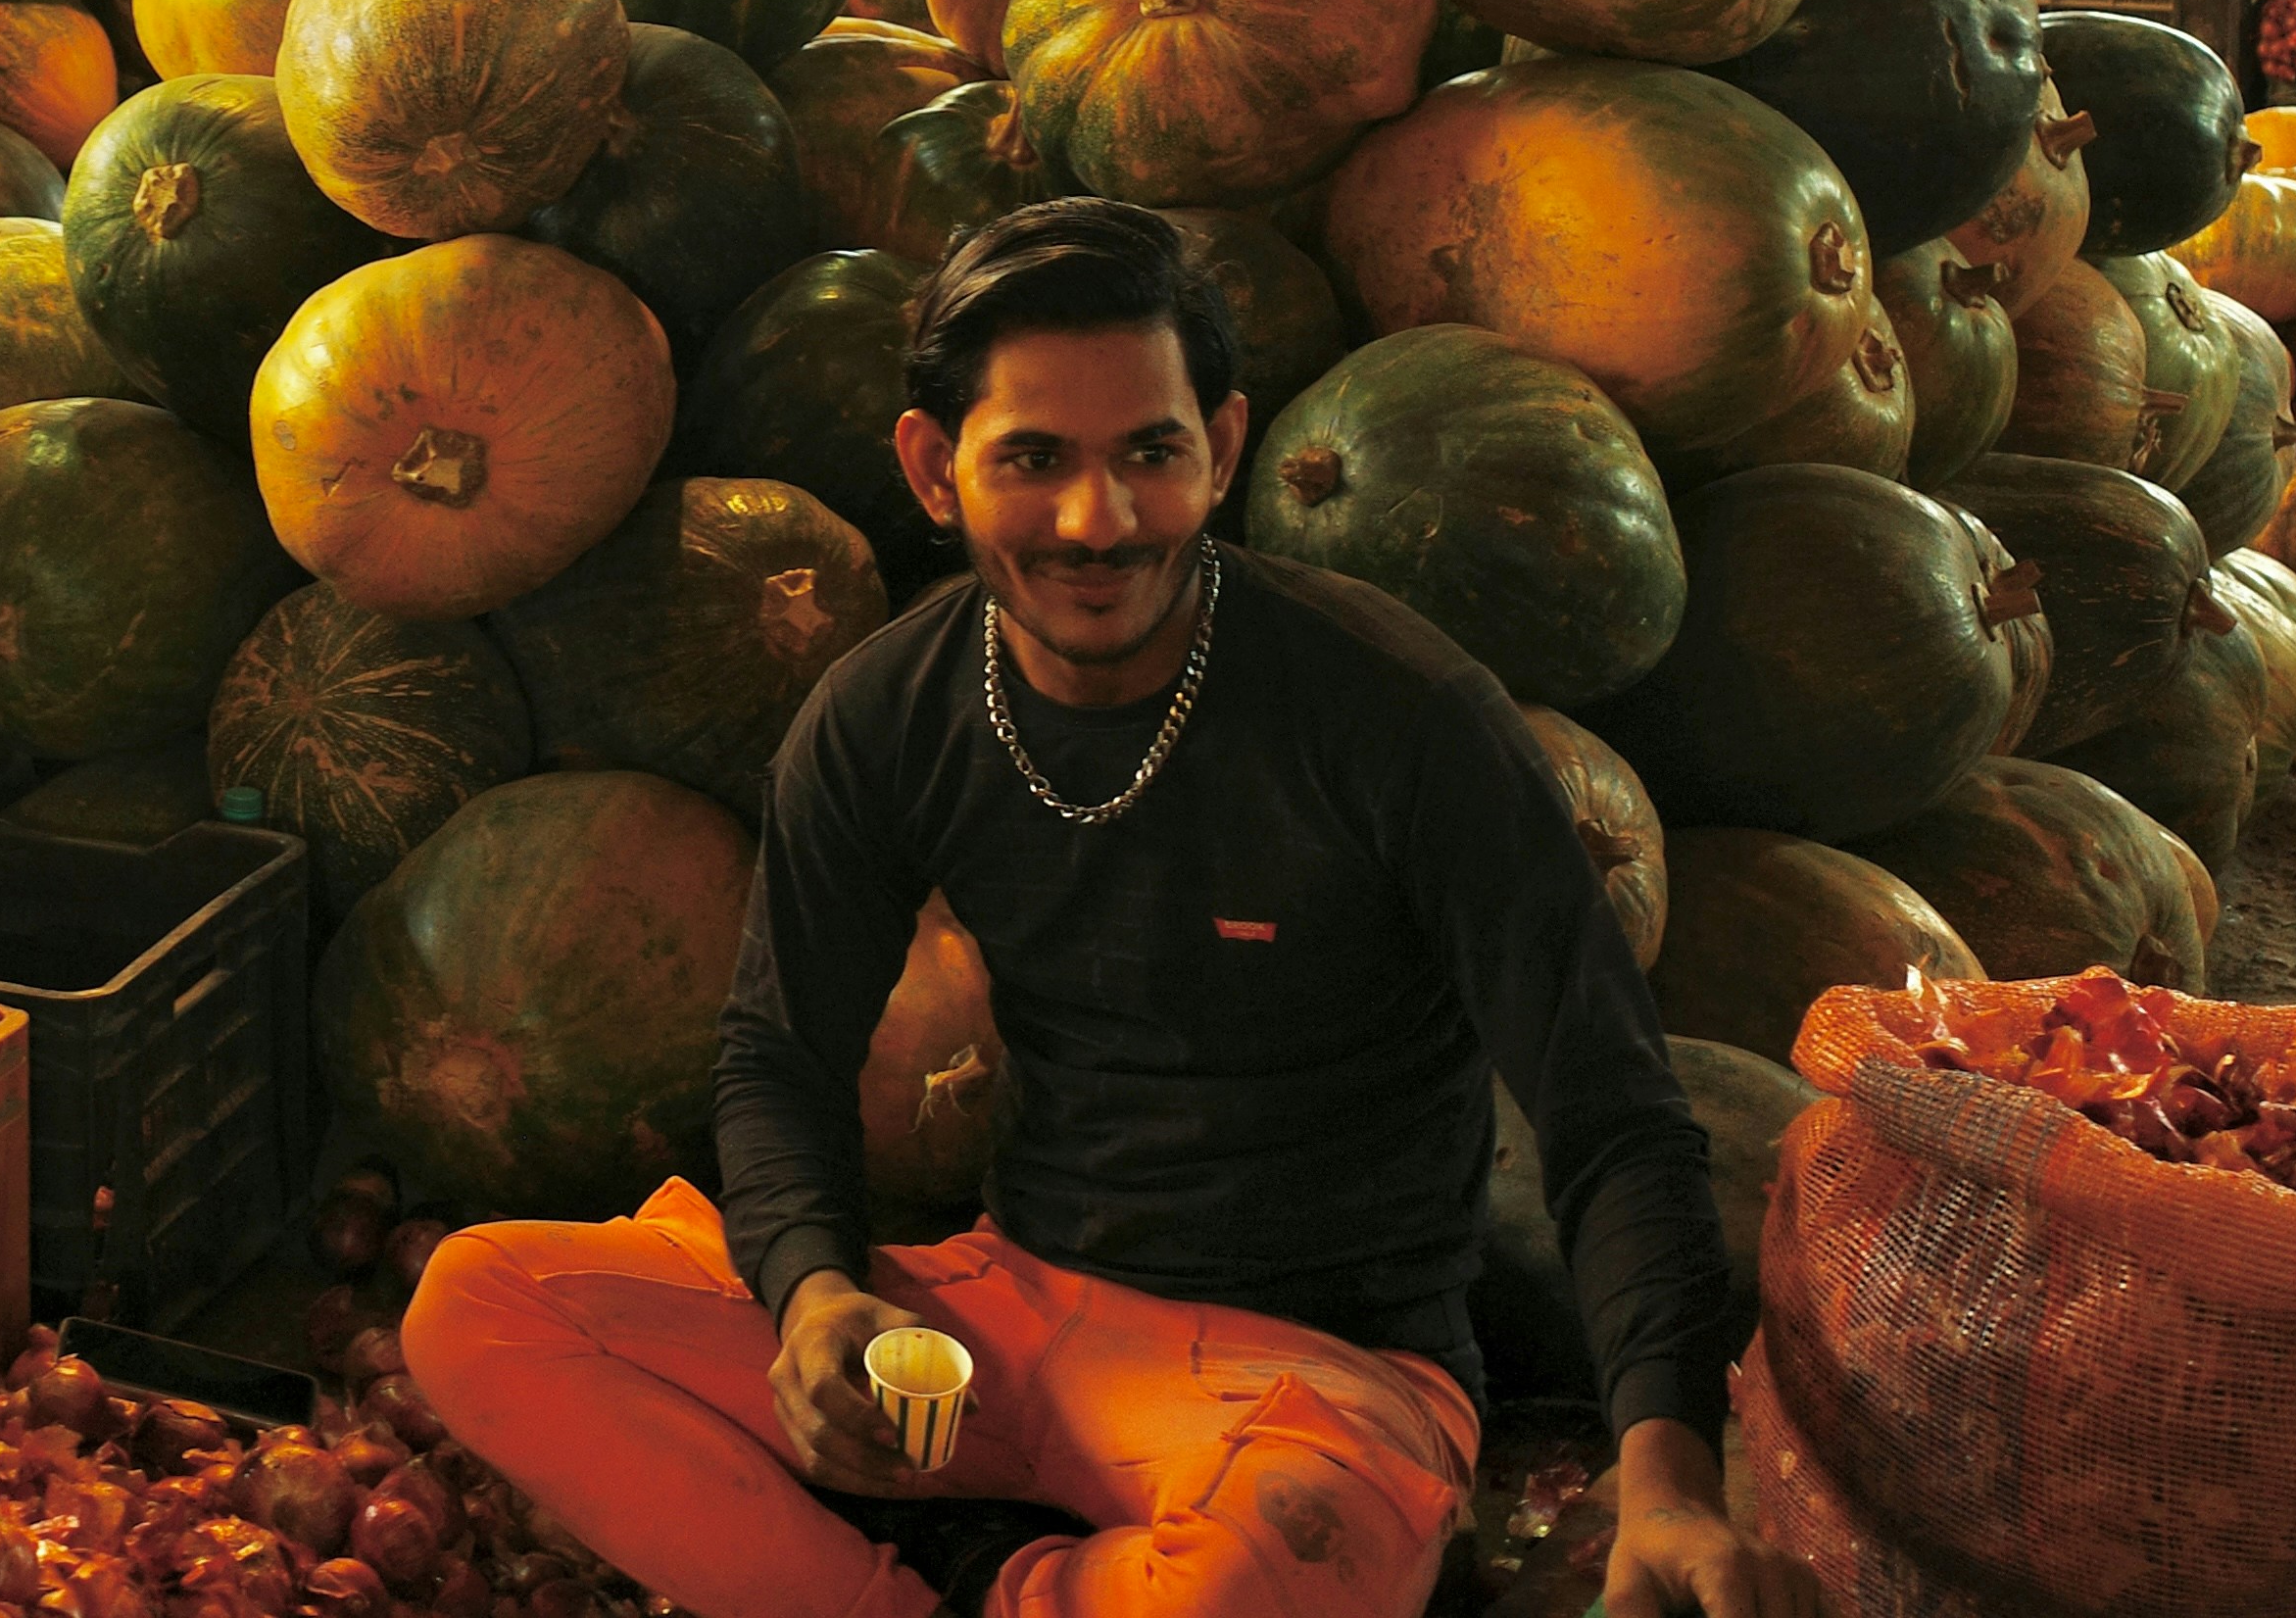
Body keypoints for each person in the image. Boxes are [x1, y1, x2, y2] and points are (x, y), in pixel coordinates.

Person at [406, 202, 1812, 1618]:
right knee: (481, 1306)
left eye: (1151, 452)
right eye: (1033, 459)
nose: (1099, 519)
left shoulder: (1400, 714)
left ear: (1227, 448)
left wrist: (1672, 1490)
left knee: (1254, 1580)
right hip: (1006, 1312)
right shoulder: (885, 713)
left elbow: (1611, 1114)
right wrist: (817, 1295)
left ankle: (954, 1572)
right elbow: (779, 1057)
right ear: (931, 469)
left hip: (1319, 1376)